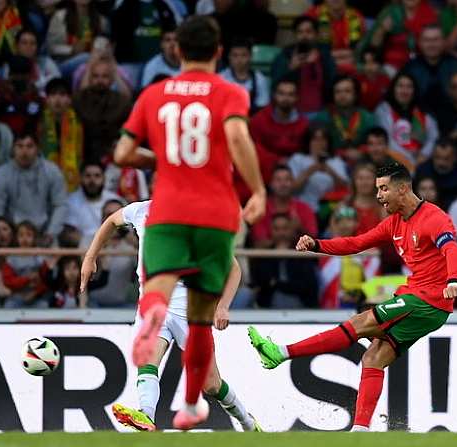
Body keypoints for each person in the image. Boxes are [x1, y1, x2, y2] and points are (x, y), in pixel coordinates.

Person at [113, 15, 266, 429]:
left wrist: (160, 156)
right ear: (218, 52)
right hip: (215, 214)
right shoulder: (229, 92)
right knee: (199, 317)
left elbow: (123, 153)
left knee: (156, 290)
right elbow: (237, 138)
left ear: (177, 51)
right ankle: (191, 403)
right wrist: (258, 190)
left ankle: (152, 317)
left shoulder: (154, 95)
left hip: (167, 211)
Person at [248, 162, 457, 432]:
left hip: (428, 299)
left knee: (362, 322)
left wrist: (454, 279)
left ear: (403, 189)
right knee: (373, 357)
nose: (379, 195)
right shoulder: (394, 223)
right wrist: (317, 245)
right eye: (377, 189)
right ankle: (360, 432)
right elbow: (355, 243)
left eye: (384, 189)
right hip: (422, 301)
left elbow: (453, 250)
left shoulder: (433, 218)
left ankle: (281, 353)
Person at [82, 199, 262, 432]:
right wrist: (90, 257)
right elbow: (111, 221)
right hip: (151, 303)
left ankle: (248, 423)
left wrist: (222, 306)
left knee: (211, 385)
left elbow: (234, 269)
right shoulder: (141, 210)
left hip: (190, 309)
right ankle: (146, 415)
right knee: (147, 360)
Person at [0, 132, 67, 247]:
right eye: (20, 146)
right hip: (12, 235)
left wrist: (50, 234)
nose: (24, 152)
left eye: (29, 146)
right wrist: (7, 235)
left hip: (44, 234)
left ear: (37, 149)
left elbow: (60, 205)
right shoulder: (1, 174)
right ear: (13, 149)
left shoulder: (52, 171)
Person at [249, 213, 319, 309]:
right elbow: (262, 284)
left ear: (292, 230)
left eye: (285, 228)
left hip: (302, 310)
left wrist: (276, 283)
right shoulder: (263, 256)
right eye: (277, 229)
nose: (281, 233)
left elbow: (306, 287)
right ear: (271, 231)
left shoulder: (304, 255)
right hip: (268, 311)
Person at [271, 16, 336, 115]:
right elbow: (275, 85)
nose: (304, 36)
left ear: (316, 34)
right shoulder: (285, 56)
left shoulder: (325, 57)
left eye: (308, 32)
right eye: (300, 32)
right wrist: (291, 68)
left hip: (320, 114)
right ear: (295, 35)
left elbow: (332, 85)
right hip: (291, 113)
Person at [375, 71, 439, 166]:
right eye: (400, 86)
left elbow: (433, 137)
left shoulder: (422, 111)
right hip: (392, 161)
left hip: (421, 161)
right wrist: (409, 160)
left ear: (414, 90)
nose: (404, 91)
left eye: (409, 87)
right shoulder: (383, 110)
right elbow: (386, 140)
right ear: (393, 89)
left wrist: (424, 154)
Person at [311, 75, 378, 161]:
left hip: (363, 162)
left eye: (347, 91)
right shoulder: (323, 117)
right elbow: (317, 147)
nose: (342, 95)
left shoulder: (367, 117)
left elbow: (377, 144)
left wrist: (361, 151)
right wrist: (343, 154)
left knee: (391, 169)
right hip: (331, 161)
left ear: (356, 94)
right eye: (337, 92)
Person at [249, 165, 317, 248]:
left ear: (293, 183)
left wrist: (300, 229)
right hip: (267, 258)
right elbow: (258, 244)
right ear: (271, 184)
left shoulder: (305, 209)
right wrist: (283, 235)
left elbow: (314, 243)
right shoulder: (261, 209)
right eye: (278, 180)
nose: (283, 184)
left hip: (299, 258)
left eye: (287, 180)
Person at [402, 25, 457, 112]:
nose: (431, 44)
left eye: (436, 40)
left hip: (452, 115)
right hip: (418, 117)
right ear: (419, 43)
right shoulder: (411, 67)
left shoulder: (455, 64)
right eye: (427, 40)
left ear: (443, 41)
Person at [288, 125, 350, 212]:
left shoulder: (336, 160)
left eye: (323, 139)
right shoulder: (297, 159)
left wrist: (330, 171)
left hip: (330, 208)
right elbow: (290, 188)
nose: (319, 143)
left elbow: (345, 187)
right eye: (315, 139)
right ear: (308, 141)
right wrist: (311, 170)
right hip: (302, 207)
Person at [37, 78, 83, 192]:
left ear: (69, 99)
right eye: (53, 94)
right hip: (42, 177)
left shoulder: (78, 122)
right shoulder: (37, 121)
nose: (57, 99)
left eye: (62, 94)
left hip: (71, 179)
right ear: (46, 99)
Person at [249, 78, 309, 159]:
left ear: (297, 97)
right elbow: (255, 148)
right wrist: (276, 161)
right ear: (274, 95)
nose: (285, 98)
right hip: (265, 165)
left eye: (290, 94)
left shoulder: (304, 124)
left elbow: (304, 152)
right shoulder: (258, 120)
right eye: (281, 93)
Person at [64, 162, 123, 246]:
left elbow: (123, 230)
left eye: (97, 176)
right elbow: (69, 233)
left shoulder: (115, 200)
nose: (92, 181)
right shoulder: (71, 201)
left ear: (104, 179)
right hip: (84, 248)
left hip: (113, 247)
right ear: (80, 178)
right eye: (88, 176)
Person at [219, 38, 270, 114]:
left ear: (250, 56)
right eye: (235, 55)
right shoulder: (221, 78)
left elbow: (262, 108)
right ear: (229, 57)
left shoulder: (260, 79)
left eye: (244, 55)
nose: (239, 59)